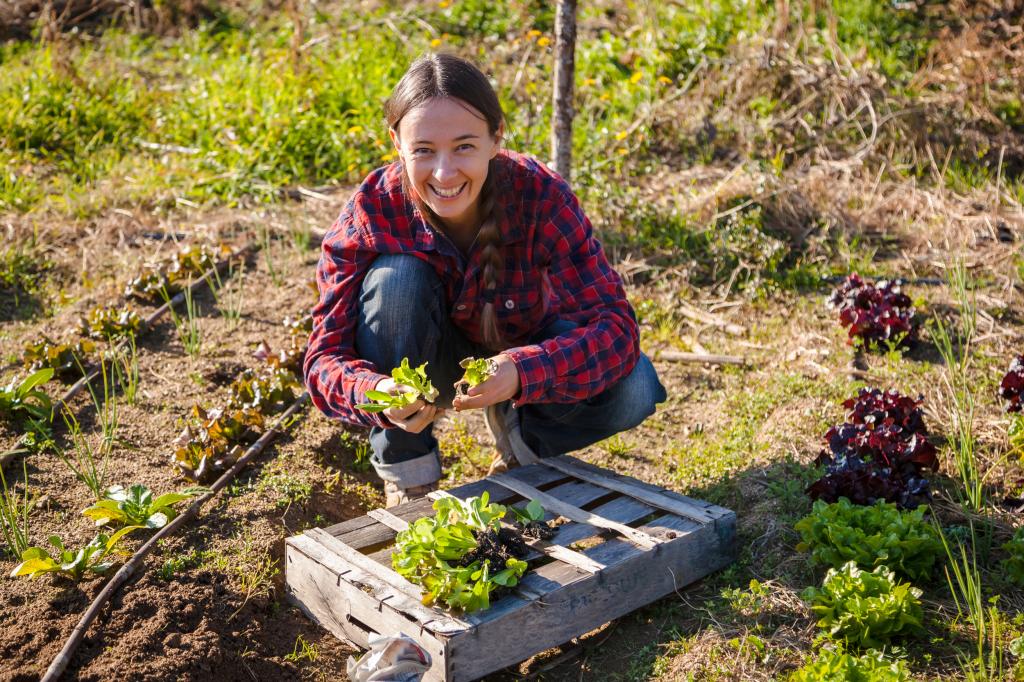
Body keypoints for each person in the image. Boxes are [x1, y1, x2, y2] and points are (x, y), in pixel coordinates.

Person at [304, 52, 667, 508]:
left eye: (464, 146)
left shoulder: (539, 195)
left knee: (634, 387)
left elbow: (615, 330)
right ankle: (409, 469)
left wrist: (523, 370)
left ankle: (522, 446)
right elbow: (322, 359)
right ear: (396, 142)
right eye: (423, 150)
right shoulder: (374, 209)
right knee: (394, 280)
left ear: (496, 137)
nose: (444, 172)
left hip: (521, 347)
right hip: (422, 360)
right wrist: (374, 392)